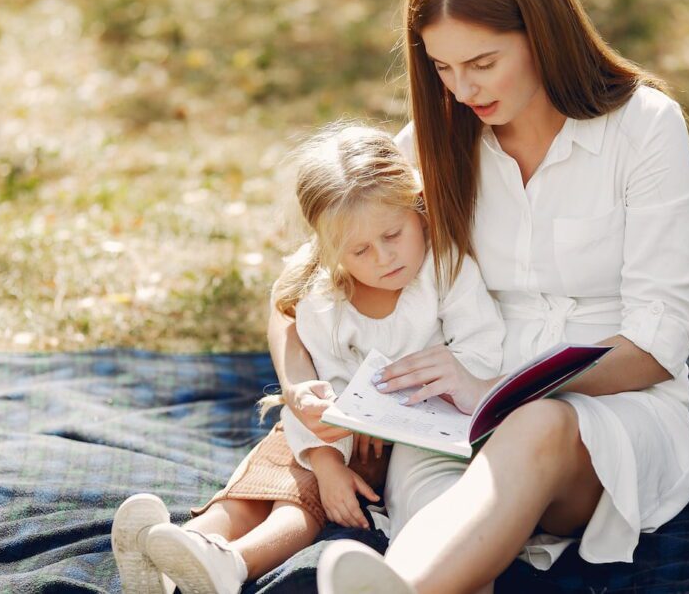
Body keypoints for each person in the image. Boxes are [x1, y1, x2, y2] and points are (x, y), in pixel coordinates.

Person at [268, 0, 689, 594]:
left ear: (542, 35)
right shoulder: (439, 139)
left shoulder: (645, 129)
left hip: (611, 415)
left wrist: (501, 393)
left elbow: (659, 342)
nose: (464, 90)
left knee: (535, 424)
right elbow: (299, 289)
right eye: (443, 69)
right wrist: (300, 386)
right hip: (450, 416)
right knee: (367, 466)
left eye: (482, 63)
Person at [110, 123, 506, 594]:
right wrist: (326, 461)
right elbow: (319, 401)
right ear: (331, 251)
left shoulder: (447, 269)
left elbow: (484, 350)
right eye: (359, 250)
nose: (384, 257)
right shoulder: (326, 301)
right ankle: (176, 550)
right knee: (262, 482)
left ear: (417, 208)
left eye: (393, 234)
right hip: (329, 441)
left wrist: (452, 372)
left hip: (402, 445)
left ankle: (229, 563)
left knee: (298, 502)